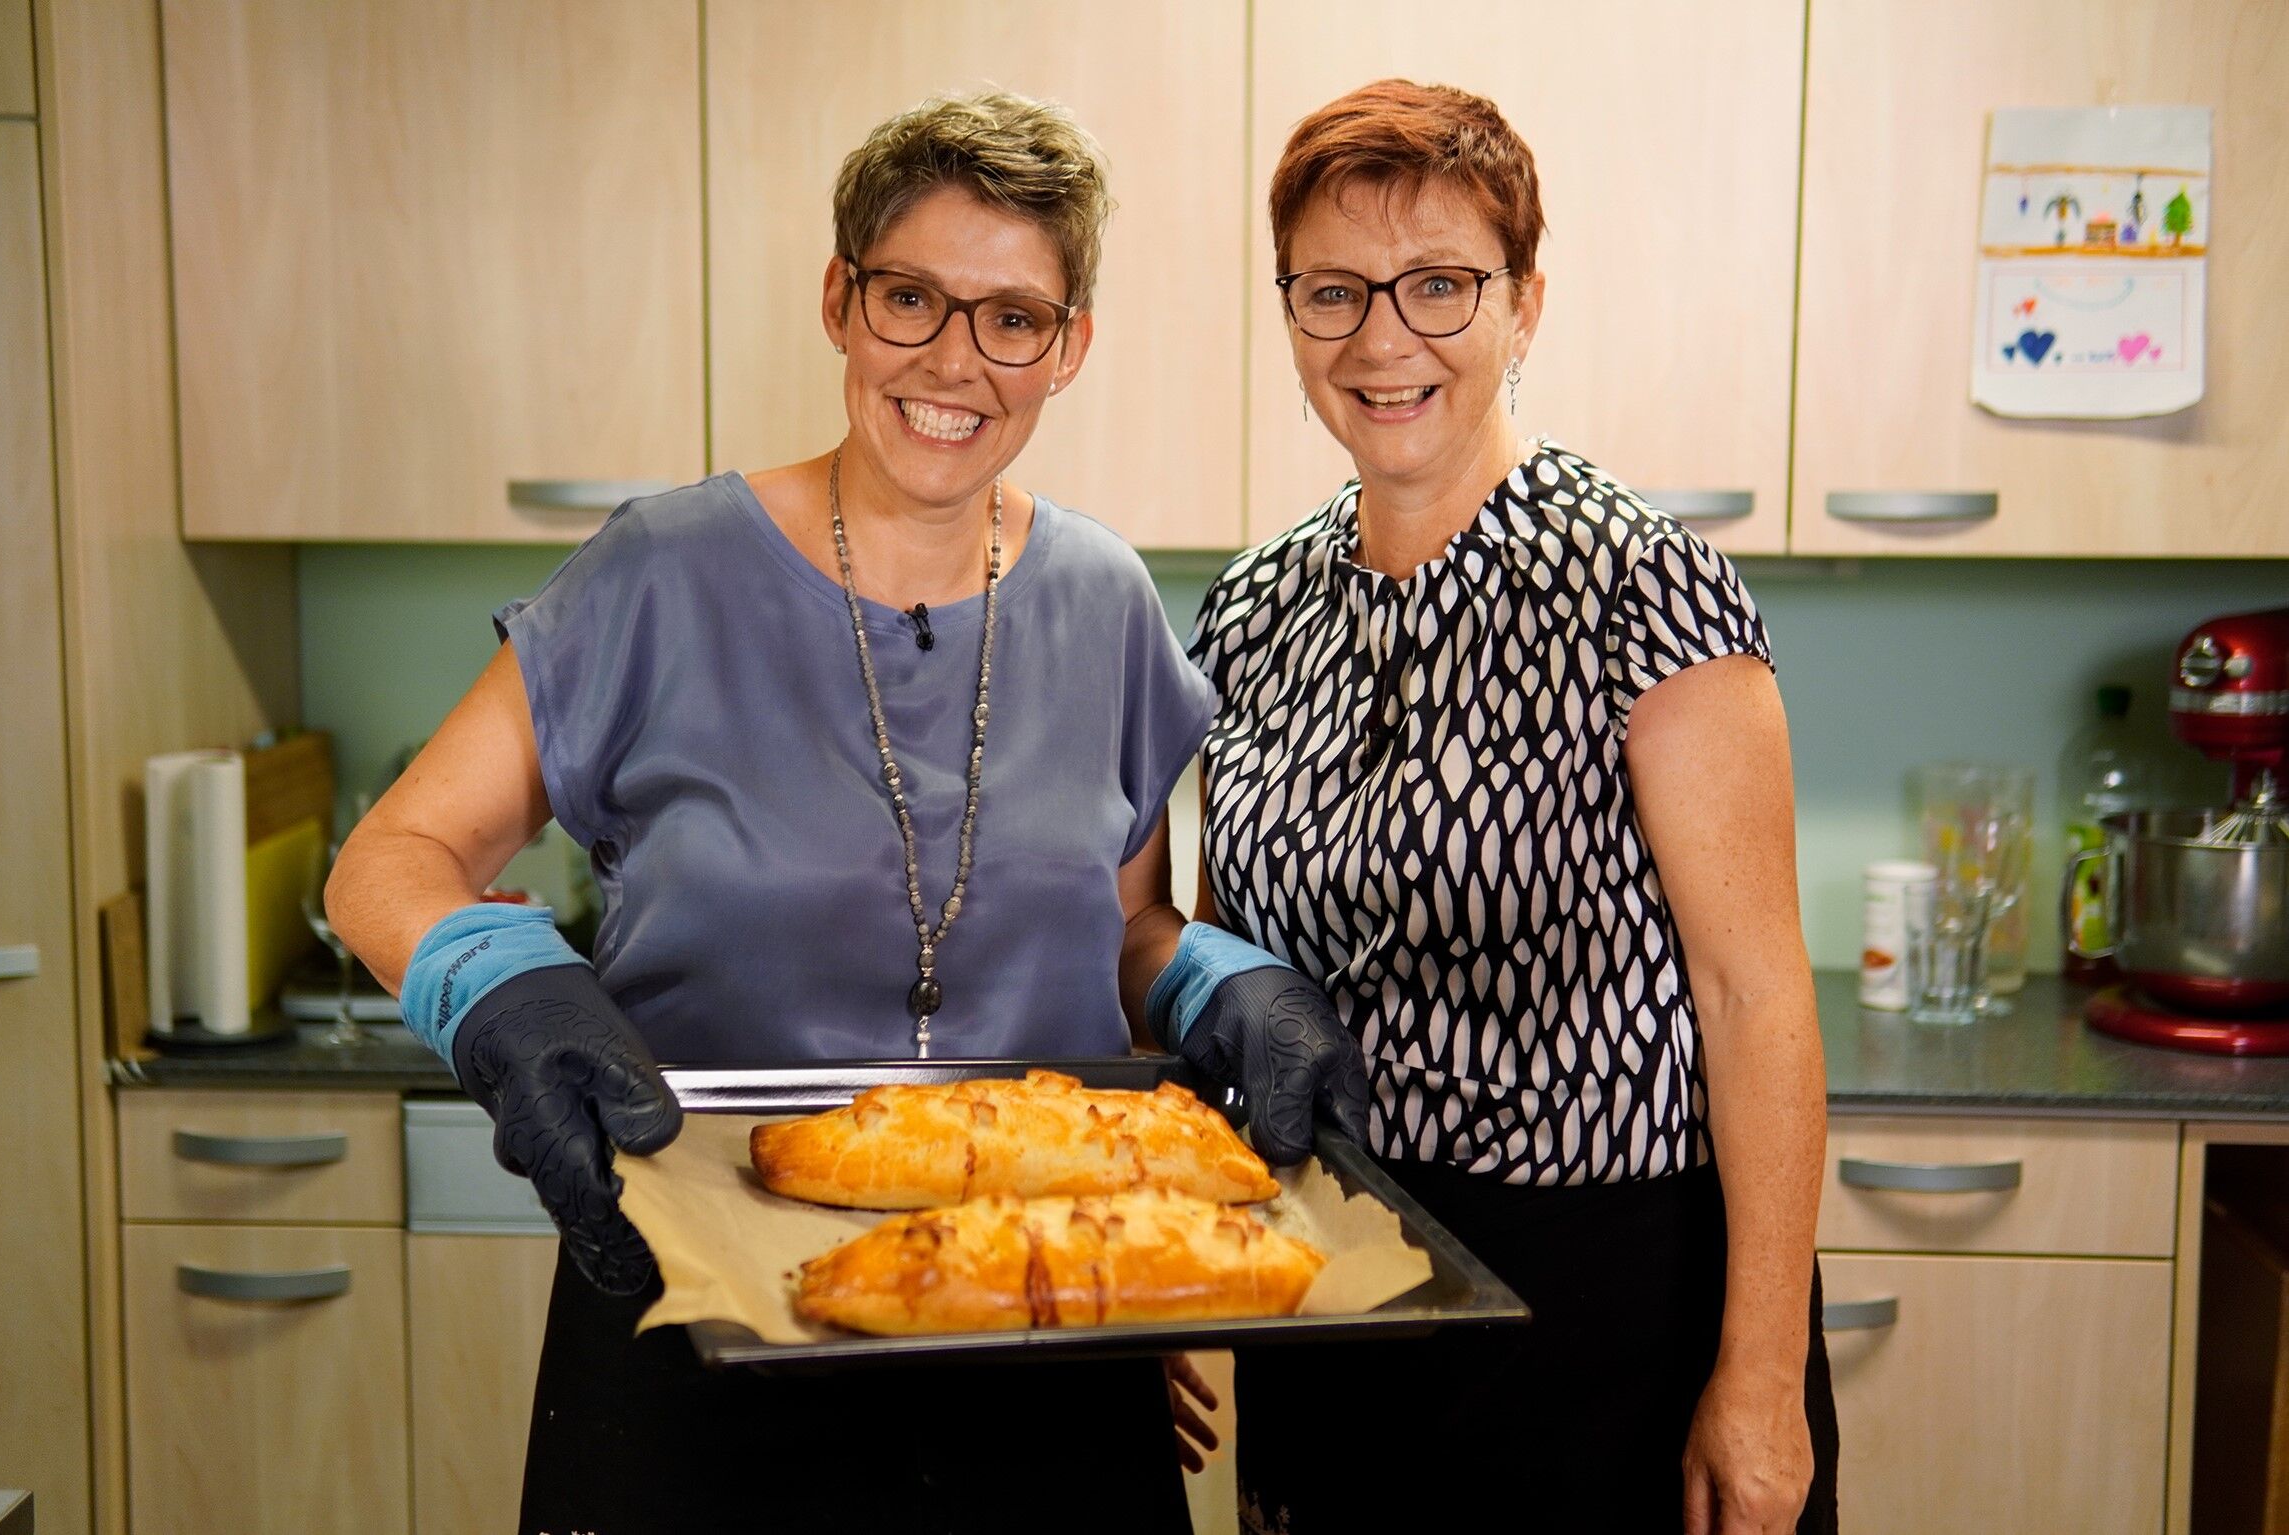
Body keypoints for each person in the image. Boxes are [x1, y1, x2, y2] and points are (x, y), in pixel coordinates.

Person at [326, 91, 1313, 1534]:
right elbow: (394, 860)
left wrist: (1221, 984)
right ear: (841, 302)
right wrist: (500, 985)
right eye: (911, 298)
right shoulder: (661, 573)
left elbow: (1121, 928)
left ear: (1070, 348)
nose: (955, 361)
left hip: (1027, 1340)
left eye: (1014, 318)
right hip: (698, 1313)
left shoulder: (1103, 601)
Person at [1145, 80, 1841, 1533]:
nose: (1382, 337)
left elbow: (1757, 993)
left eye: (1441, 285)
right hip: (1327, 1286)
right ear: (1290, 318)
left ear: (1526, 305)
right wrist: (1182, 1262)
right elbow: (1216, 960)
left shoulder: (1641, 585)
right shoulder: (1255, 606)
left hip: (1604, 1315)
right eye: (1333, 292)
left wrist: (1761, 1382)